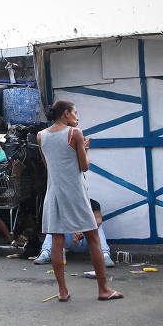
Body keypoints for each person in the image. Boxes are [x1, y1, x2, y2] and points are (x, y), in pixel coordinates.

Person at [38, 100, 123, 302]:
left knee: (57, 241)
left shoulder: (41, 136)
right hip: (75, 192)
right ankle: (103, 289)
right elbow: (84, 167)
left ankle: (62, 291)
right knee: (93, 237)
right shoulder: (74, 133)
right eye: (75, 112)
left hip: (54, 192)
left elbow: (47, 164)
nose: (77, 117)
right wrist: (84, 149)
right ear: (66, 114)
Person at [34, 199, 114, 267]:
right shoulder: (65, 203)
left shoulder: (92, 203)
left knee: (98, 228)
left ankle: (104, 255)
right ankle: (46, 253)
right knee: (54, 225)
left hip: (87, 239)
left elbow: (98, 220)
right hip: (70, 238)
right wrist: (73, 231)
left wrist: (82, 231)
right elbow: (62, 220)